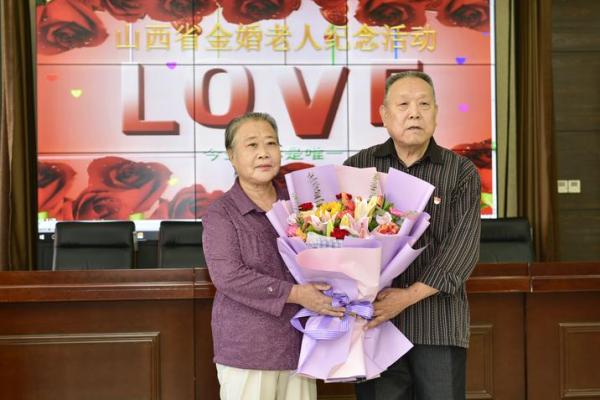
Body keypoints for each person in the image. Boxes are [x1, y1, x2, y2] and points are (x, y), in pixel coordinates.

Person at [345, 71, 481, 400]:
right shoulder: (359, 166)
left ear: (436, 113)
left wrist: (405, 298)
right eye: (403, 104)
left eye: (424, 105)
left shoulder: (461, 172)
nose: (414, 113)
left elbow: (461, 252)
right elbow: (341, 243)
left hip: (437, 325)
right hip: (375, 325)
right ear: (384, 114)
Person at [202, 112, 345, 400]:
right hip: (249, 350)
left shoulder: (299, 203)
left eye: (271, 143)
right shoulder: (221, 213)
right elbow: (228, 276)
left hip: (299, 346)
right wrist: (297, 294)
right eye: (252, 145)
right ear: (231, 156)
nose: (264, 153)